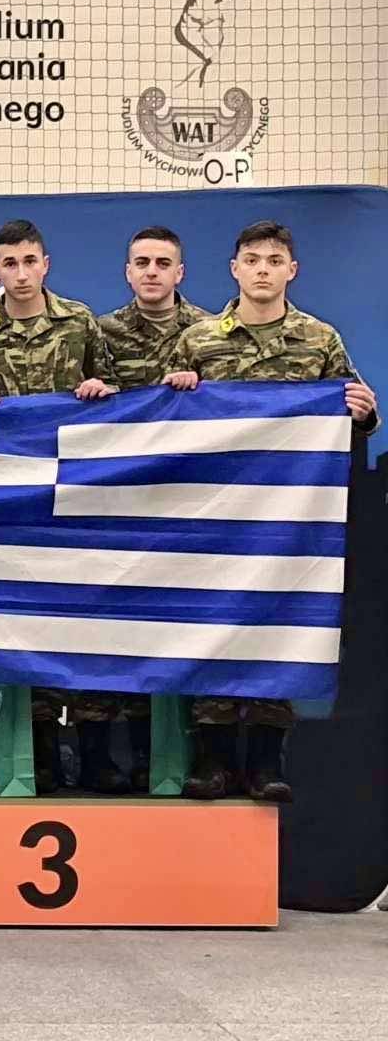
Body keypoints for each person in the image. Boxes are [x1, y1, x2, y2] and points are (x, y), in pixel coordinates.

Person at [163, 220, 377, 802]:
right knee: (213, 625)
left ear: (292, 270)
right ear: (234, 269)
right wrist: (176, 388)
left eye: (274, 260)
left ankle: (264, 762)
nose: (263, 269)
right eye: (252, 259)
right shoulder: (198, 341)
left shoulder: (320, 339)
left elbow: (351, 412)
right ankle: (211, 760)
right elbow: (164, 423)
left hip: (287, 517)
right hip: (215, 515)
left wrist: (364, 413)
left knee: (277, 628)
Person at [0, 219, 119, 793]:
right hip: (12, 507)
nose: (21, 273)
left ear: (46, 264)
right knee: (24, 627)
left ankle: (98, 755)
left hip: (75, 503)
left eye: (29, 261)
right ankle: (41, 759)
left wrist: (102, 391)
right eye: (9, 264)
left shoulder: (79, 322)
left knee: (84, 624)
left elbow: (120, 401)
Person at [96, 225, 209, 790]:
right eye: (141, 262)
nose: (151, 271)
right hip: (122, 507)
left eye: (163, 263)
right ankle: (136, 758)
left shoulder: (210, 333)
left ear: (179, 272)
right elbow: (74, 399)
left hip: (191, 508)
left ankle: (196, 759)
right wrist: (94, 391)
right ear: (127, 271)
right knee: (127, 632)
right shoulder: (101, 332)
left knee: (187, 631)